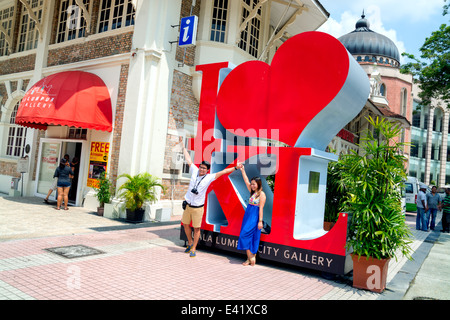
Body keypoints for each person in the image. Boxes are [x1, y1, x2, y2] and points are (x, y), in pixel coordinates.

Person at [179, 137, 243, 257]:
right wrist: (183, 146)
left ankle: (193, 248)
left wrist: (236, 167)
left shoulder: (209, 177)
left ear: (207, 171)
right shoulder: (194, 170)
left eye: (204, 168)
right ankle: (190, 242)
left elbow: (223, 172)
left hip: (198, 207)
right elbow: (188, 158)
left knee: (197, 228)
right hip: (187, 204)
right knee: (186, 225)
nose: (202, 169)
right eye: (201, 167)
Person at [237, 164, 266, 266]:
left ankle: (251, 257)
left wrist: (260, 221)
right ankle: (249, 257)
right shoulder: (252, 193)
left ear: (258, 184)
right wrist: (242, 170)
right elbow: (246, 181)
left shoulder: (261, 194)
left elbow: (261, 208)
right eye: (252, 184)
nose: (252, 185)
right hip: (248, 216)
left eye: (254, 184)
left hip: (255, 217)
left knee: (249, 235)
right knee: (245, 236)